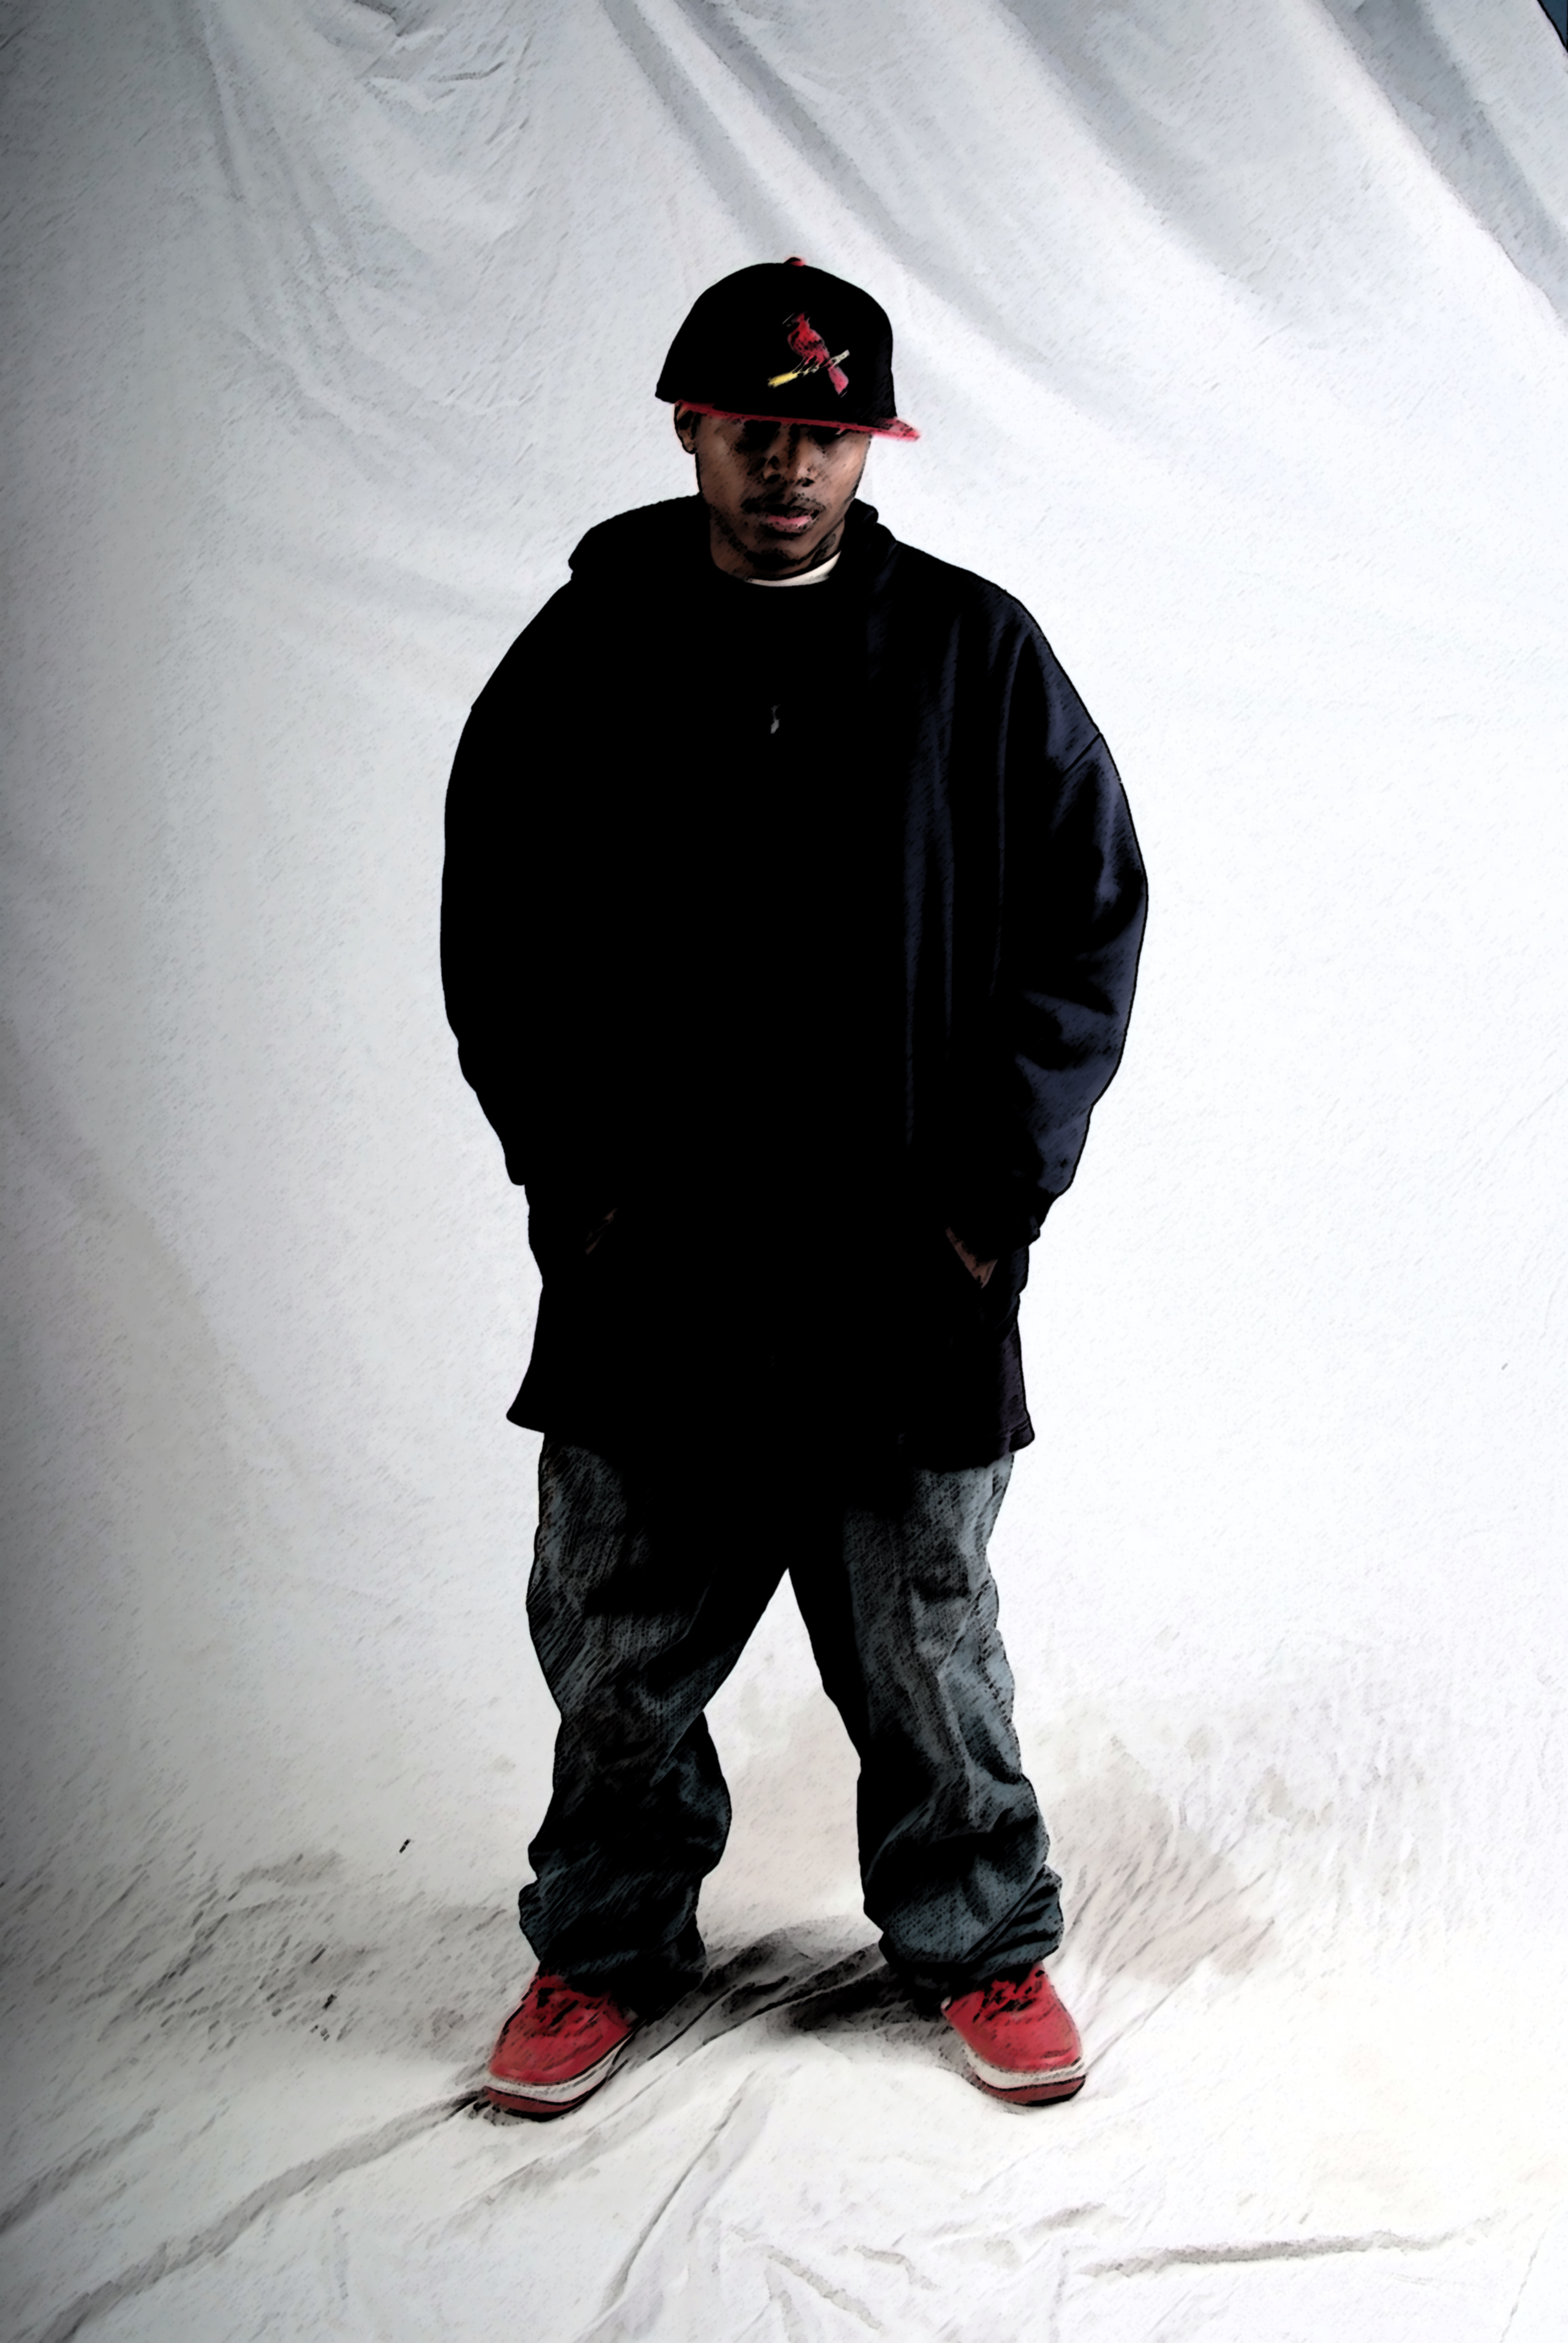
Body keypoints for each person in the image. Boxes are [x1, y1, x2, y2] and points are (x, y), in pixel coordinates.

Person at [440, 257, 1146, 2117]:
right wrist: (581, 1194)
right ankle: (603, 1944)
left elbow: (1088, 926)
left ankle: (981, 1943)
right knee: (615, 1640)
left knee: (929, 1641)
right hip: (655, 1269)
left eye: (824, 435)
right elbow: (498, 937)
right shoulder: (587, 652)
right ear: (692, 426)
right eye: (756, 430)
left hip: (907, 1273)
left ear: (868, 447)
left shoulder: (978, 656)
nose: (789, 466)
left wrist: (987, 1208)